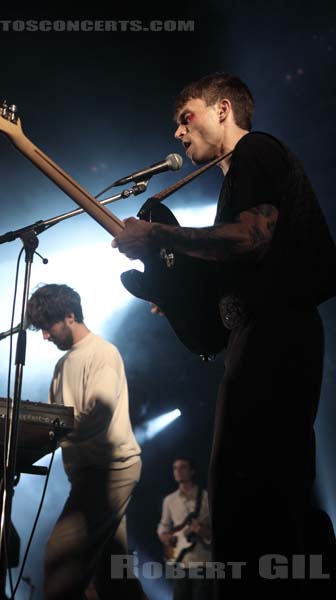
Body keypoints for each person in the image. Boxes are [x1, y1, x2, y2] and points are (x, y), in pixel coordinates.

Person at [112, 73, 336, 598]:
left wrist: (159, 233)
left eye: (184, 116)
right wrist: (176, 297)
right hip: (260, 340)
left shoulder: (257, 152)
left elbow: (254, 237)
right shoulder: (237, 179)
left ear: (223, 109)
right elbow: (230, 273)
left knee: (254, 498)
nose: (177, 132)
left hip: (277, 338)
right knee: (255, 498)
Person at [26, 283, 146, 600]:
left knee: (60, 555)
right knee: (114, 578)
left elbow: (98, 415)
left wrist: (52, 433)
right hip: (86, 474)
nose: (45, 336)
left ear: (69, 316)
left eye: (47, 327)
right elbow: (57, 421)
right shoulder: (62, 365)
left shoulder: (102, 354)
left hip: (111, 470)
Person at [157, 457, 212, 600]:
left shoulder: (206, 498)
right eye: (175, 468)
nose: (178, 471)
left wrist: (202, 531)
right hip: (179, 563)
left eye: (183, 467)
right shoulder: (169, 500)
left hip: (202, 563)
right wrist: (166, 537)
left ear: (192, 471)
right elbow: (163, 526)